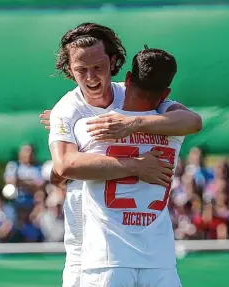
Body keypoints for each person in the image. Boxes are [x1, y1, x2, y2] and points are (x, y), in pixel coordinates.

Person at [40, 23, 202, 287]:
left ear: (113, 62)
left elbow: (193, 121)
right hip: (86, 246)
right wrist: (135, 166)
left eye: (98, 67)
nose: (91, 77)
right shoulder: (67, 110)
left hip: (125, 250)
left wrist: (132, 124)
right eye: (81, 70)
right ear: (69, 69)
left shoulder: (133, 95)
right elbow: (63, 168)